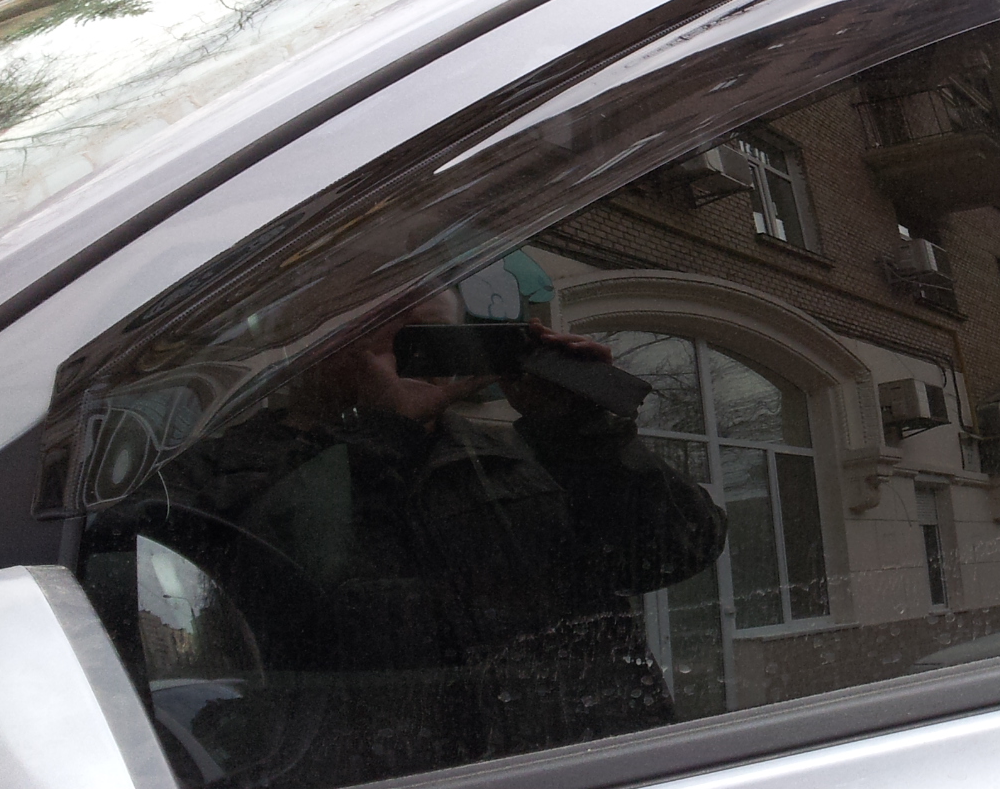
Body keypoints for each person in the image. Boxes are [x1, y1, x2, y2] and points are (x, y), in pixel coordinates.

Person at [136, 290, 728, 787]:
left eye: (438, 335)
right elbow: (223, 615)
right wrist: (378, 437)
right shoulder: (206, 477)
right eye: (399, 332)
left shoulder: (529, 457)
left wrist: (581, 429)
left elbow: (677, 552)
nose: (420, 352)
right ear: (311, 340)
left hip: (586, 768)